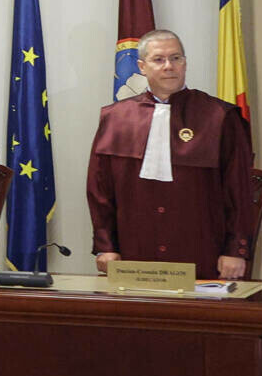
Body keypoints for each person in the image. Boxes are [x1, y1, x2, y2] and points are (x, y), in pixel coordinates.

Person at [88, 29, 252, 279]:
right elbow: (100, 189)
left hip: (202, 250)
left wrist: (235, 250)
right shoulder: (115, 118)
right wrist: (106, 246)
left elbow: (239, 189)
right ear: (142, 66)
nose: (169, 66)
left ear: (185, 63)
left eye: (176, 58)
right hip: (134, 250)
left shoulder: (220, 116)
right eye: (158, 59)